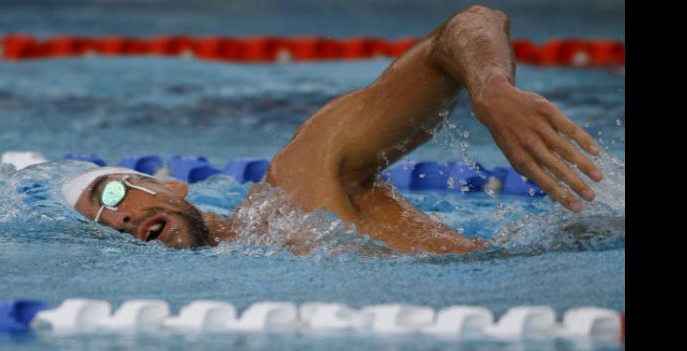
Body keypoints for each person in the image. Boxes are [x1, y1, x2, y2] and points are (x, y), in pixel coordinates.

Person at [61, 5, 602, 254]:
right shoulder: (250, 260)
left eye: (110, 193)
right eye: (104, 225)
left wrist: (490, 90)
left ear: (169, 184)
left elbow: (467, 25)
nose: (119, 217)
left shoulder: (299, 182)